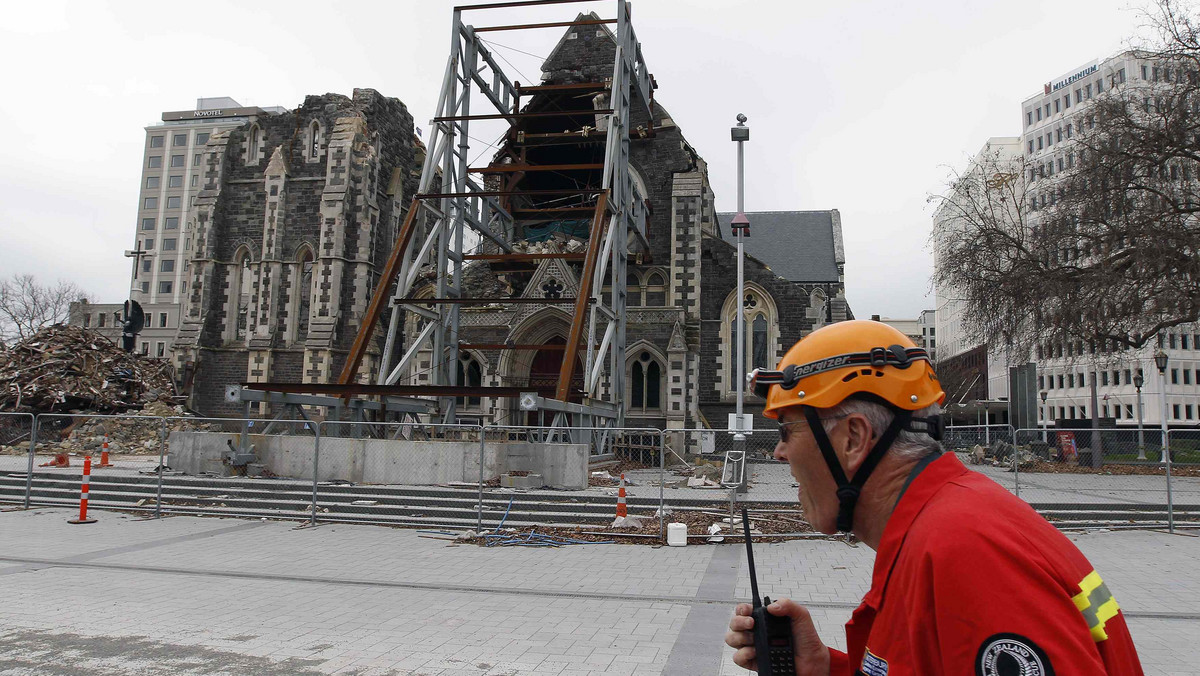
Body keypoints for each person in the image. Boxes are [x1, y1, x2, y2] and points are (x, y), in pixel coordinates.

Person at [724, 320, 1143, 675]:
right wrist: (825, 668)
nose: (779, 453)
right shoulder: (943, 527)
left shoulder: (966, 553)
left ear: (853, 437)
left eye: (786, 432)